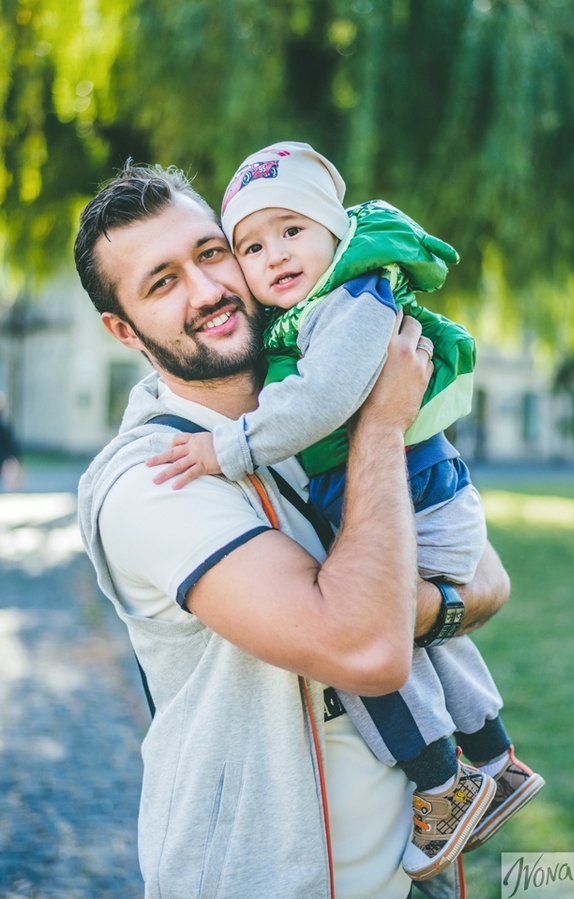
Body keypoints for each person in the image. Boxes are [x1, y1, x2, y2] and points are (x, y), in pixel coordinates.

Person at [75, 161, 510, 899]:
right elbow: (368, 647)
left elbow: (489, 580)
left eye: (212, 254)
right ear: (125, 330)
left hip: (405, 876)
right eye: (162, 282)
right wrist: (381, 421)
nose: (208, 290)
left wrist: (422, 605)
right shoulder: (152, 478)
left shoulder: (308, 396)